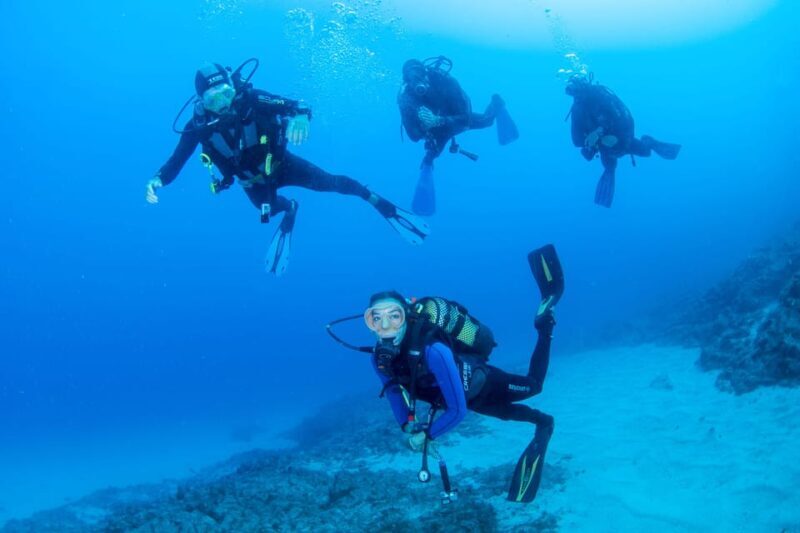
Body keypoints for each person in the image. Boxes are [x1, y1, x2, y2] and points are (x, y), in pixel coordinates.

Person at [146, 59, 429, 275]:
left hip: (283, 165)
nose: (223, 103)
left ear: (233, 86)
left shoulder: (253, 99)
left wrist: (302, 118)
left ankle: (376, 201)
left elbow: (299, 105)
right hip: (250, 182)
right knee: (264, 208)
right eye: (212, 98)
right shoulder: (196, 127)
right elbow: (176, 160)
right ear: (201, 101)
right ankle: (290, 208)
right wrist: (157, 180)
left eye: (226, 92)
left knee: (331, 183)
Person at [328, 245, 564, 503]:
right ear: (369, 322)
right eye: (376, 319)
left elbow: (457, 411)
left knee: (534, 386)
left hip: (483, 384)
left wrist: (427, 435)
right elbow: (395, 392)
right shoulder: (380, 359)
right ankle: (544, 422)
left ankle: (544, 323)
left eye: (393, 317)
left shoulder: (433, 351)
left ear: (405, 317)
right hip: (473, 401)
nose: (385, 327)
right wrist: (408, 425)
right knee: (520, 416)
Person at [398, 56, 519, 216]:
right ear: (406, 80)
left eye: (419, 73)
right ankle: (426, 176)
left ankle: (497, 103)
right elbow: (413, 137)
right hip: (436, 131)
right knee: (429, 157)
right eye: (411, 77)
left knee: (486, 120)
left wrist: (439, 120)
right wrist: (421, 123)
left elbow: (465, 119)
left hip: (456, 118)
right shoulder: (406, 96)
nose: (417, 82)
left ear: (426, 72)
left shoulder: (445, 80)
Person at [565, 73, 682, 208]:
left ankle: (648, 142)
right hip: (605, 147)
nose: (577, 97)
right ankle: (609, 175)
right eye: (573, 94)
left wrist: (600, 131)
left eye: (578, 92)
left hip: (622, 139)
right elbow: (576, 140)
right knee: (610, 167)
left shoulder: (600, 96)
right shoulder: (578, 108)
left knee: (645, 152)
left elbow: (620, 116)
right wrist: (589, 142)